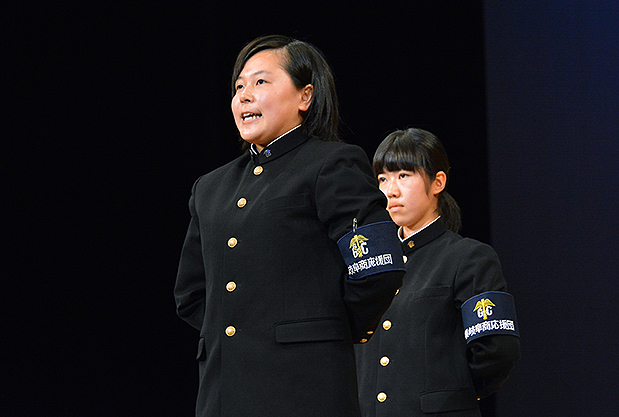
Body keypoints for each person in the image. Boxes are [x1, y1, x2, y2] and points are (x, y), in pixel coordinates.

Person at [174, 35, 406, 417]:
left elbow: (378, 267)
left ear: (305, 97)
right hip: (224, 394)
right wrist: (248, 335)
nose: (244, 95)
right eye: (238, 87)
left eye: (261, 82)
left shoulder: (332, 164)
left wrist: (325, 331)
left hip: (306, 389)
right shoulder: (210, 187)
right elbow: (190, 294)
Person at [355, 128, 521, 417]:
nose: (390, 190)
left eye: (403, 176)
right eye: (383, 178)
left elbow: (498, 351)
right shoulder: (372, 263)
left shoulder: (468, 258)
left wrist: (450, 395)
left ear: (437, 182)